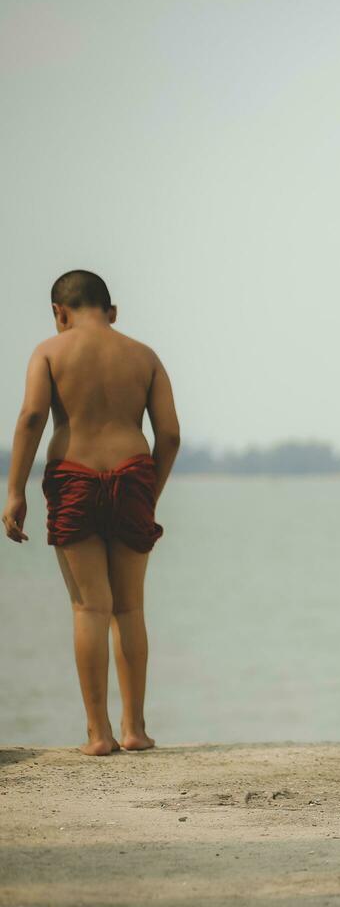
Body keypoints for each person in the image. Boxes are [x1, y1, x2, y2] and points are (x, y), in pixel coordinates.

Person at [3, 270, 180, 756]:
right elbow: (169, 435)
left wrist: (15, 490)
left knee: (89, 607)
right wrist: (150, 491)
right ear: (113, 312)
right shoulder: (144, 356)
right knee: (129, 607)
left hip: (73, 476)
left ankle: (97, 734)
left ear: (59, 313)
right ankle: (135, 730)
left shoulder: (49, 351)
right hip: (133, 474)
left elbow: (33, 417)